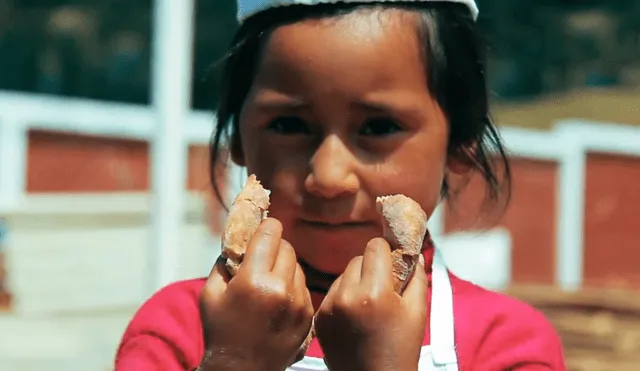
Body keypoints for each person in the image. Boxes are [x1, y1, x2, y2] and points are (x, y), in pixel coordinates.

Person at [114, 0, 566, 370]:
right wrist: (235, 361)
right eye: (289, 124)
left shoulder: (506, 348)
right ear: (238, 140)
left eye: (378, 127)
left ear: (461, 146)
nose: (328, 177)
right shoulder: (175, 333)